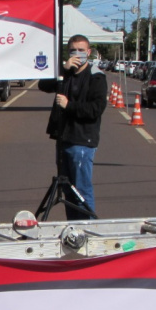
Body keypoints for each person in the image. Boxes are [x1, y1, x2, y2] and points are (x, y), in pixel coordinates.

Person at [39, 34, 108, 220]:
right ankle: (73, 227)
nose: (78, 54)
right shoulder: (66, 74)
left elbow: (96, 109)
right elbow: (43, 84)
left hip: (83, 141)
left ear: (89, 52)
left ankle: (88, 227)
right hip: (63, 138)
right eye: (73, 50)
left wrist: (69, 105)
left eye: (81, 50)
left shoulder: (96, 77)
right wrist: (64, 69)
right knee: (67, 189)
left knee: (81, 190)